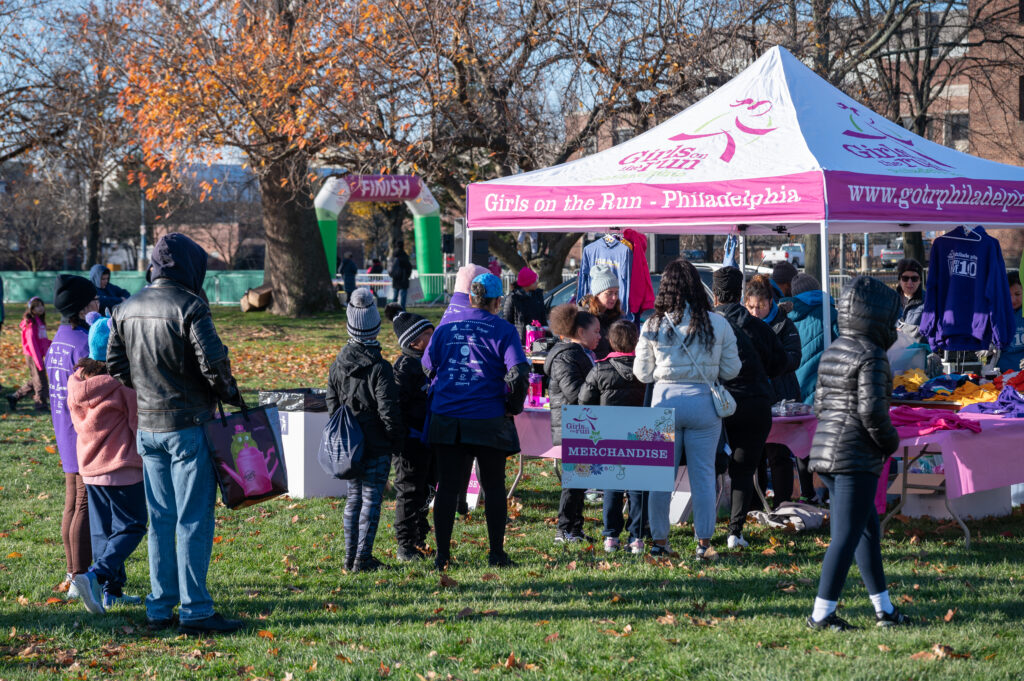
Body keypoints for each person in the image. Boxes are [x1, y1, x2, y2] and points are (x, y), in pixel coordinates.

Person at [107, 233, 244, 635]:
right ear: (189, 265)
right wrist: (229, 393)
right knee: (192, 520)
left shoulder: (125, 308)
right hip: (187, 427)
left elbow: (116, 364)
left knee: (162, 521)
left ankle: (160, 606)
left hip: (148, 428)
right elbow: (214, 365)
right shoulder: (191, 306)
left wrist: (149, 391)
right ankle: (196, 610)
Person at [806, 276, 910, 631]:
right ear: (878, 316)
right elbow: (872, 413)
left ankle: (885, 610)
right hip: (855, 456)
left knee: (866, 532)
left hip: (827, 451)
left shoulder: (834, 349)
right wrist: (890, 443)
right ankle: (821, 614)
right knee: (847, 536)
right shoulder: (873, 356)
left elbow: (819, 403)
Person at [635, 259, 740, 559]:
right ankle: (704, 544)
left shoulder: (652, 325)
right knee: (704, 477)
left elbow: (643, 374)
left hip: (664, 401)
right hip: (703, 403)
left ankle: (658, 543)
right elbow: (731, 370)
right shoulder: (717, 323)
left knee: (659, 479)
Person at [423, 273, 529, 570]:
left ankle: (442, 556)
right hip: (488, 418)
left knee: (447, 487)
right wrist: (513, 405)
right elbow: (520, 372)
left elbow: (427, 366)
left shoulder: (445, 329)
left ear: (470, 298)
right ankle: (496, 554)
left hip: (448, 417)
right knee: (494, 486)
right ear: (497, 302)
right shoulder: (504, 329)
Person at [68, 316, 147, 614]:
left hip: (90, 468)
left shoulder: (77, 382)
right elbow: (139, 424)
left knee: (104, 532)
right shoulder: (122, 385)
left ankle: (111, 592)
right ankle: (96, 576)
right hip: (121, 467)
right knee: (133, 525)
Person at [328, 288, 403, 573]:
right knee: (371, 501)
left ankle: (350, 558)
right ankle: (362, 558)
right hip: (377, 445)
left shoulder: (338, 363)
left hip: (349, 446)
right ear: (375, 326)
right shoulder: (380, 368)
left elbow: (331, 402)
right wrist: (396, 441)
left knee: (353, 499)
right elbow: (388, 411)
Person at [712, 267, 787, 549]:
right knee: (744, 469)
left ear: (716, 295)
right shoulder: (758, 326)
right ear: (741, 296)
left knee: (705, 467)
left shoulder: (707, 324)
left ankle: (704, 531)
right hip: (755, 403)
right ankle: (735, 532)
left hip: (718, 405)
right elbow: (780, 363)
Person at [46, 275, 99, 599]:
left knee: (71, 503)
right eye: (93, 300)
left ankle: (71, 571)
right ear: (81, 308)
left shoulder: (60, 337)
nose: (98, 304)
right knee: (82, 503)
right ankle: (80, 577)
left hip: (63, 429)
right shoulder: (82, 343)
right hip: (81, 432)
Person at [580, 320, 650, 554]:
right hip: (642, 435)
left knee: (612, 486)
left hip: (609, 434)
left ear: (611, 341)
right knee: (639, 488)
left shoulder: (600, 368)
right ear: (637, 341)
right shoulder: (647, 371)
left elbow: (584, 400)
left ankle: (610, 536)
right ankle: (637, 537)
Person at [545, 303, 602, 544]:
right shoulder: (566, 356)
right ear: (580, 332)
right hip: (573, 423)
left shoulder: (581, 354)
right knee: (574, 481)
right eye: (596, 331)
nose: (600, 336)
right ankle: (564, 529)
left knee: (581, 481)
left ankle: (575, 528)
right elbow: (575, 392)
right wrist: (599, 382)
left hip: (583, 422)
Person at [746, 275, 803, 508]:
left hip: (781, 396)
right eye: (750, 306)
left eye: (760, 306)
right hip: (752, 398)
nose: (755, 312)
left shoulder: (785, 324)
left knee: (778, 454)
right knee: (754, 455)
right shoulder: (743, 324)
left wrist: (770, 362)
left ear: (770, 302)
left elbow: (794, 358)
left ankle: (782, 503)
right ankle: (754, 505)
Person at [385, 303, 435, 562]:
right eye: (429, 333)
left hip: (429, 440)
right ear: (416, 342)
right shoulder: (405, 368)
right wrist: (402, 437)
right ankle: (405, 545)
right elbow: (396, 407)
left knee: (426, 491)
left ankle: (420, 538)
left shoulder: (429, 362)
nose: (434, 335)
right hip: (410, 444)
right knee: (408, 493)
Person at [784, 273, 839, 501]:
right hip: (826, 386)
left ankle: (807, 492)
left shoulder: (789, 315)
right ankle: (829, 493)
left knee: (801, 444)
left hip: (797, 386)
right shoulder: (831, 312)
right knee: (828, 442)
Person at [9, 297, 50, 411]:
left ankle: (15, 397)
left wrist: (54, 343)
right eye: (36, 306)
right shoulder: (30, 324)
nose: (40, 308)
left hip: (39, 355)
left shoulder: (39, 321)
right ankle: (41, 405)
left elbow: (43, 339)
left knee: (36, 379)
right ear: (31, 309)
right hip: (33, 355)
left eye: (41, 305)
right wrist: (38, 361)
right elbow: (32, 345)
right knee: (40, 381)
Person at [578, 264, 622, 360]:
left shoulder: (615, 314)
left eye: (616, 293)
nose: (614, 297)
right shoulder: (583, 316)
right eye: (609, 293)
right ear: (597, 294)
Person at [502, 266, 547, 345]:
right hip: (520, 341)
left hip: (538, 340)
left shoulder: (538, 296)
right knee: (524, 357)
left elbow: (542, 317)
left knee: (538, 356)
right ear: (527, 283)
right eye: (534, 281)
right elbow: (507, 322)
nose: (537, 283)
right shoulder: (513, 298)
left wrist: (546, 332)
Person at [997, 271, 1024, 372]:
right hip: (1000, 375)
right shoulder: (996, 314)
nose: (1013, 300)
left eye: (1017, 294)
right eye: (1008, 295)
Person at [895, 258, 925, 344]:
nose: (910, 282)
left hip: (917, 352)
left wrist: (904, 332)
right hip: (893, 352)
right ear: (899, 280)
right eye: (905, 278)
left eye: (914, 279)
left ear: (920, 281)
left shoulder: (928, 301)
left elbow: (930, 331)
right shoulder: (890, 299)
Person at [389, 240, 413, 308]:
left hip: (395, 278)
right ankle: (402, 310)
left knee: (395, 296)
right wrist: (407, 275)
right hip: (404, 278)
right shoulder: (404, 255)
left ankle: (392, 310)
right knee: (403, 297)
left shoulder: (393, 255)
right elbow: (409, 267)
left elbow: (390, 267)